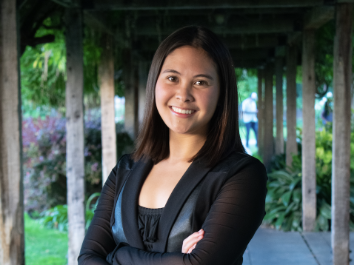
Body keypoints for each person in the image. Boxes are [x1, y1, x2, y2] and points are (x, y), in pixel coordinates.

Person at [78, 26, 267, 265]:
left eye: (200, 82)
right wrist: (176, 259)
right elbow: (87, 258)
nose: (183, 94)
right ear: (154, 83)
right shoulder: (125, 170)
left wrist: (116, 255)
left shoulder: (242, 175)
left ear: (222, 93)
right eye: (172, 78)